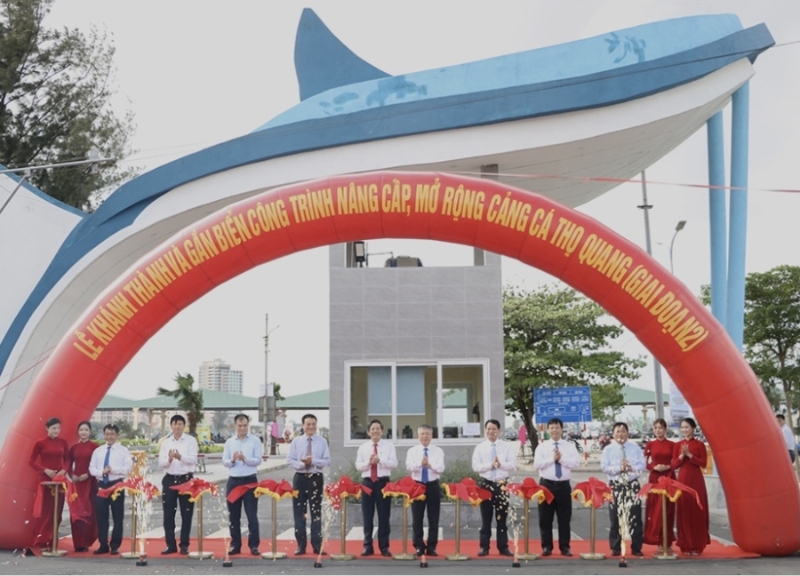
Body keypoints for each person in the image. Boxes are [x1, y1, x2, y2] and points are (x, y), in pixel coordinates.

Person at [533, 417, 580, 556]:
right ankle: (546, 546)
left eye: (557, 427)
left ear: (561, 429)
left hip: (564, 486)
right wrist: (552, 460)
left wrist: (561, 460)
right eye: (552, 427)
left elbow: (575, 463)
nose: (554, 430)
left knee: (564, 518)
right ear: (548, 430)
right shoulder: (542, 447)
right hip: (546, 485)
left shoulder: (569, 446)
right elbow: (537, 465)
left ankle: (565, 547)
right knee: (545, 518)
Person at [287, 413, 331, 556]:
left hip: (315, 478)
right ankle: (301, 545)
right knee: (299, 512)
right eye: (308, 424)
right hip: (300, 478)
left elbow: (326, 461)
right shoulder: (296, 442)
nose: (311, 427)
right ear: (303, 426)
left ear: (316, 425)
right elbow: (290, 460)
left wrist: (313, 462)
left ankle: (317, 545)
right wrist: (302, 464)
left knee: (316, 512)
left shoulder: (322, 441)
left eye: (313, 424)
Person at [472, 419, 516, 557]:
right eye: (489, 429)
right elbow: (476, 467)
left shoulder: (506, 446)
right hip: (486, 484)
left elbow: (513, 464)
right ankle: (484, 547)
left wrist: (500, 464)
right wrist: (490, 465)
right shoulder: (480, 447)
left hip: (502, 485)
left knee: (502, 518)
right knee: (486, 518)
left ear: (499, 431)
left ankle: (503, 547)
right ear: (485, 430)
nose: (491, 432)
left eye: (494, 429)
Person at [601, 422, 645, 557]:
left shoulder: (635, 448)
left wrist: (631, 468)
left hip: (632, 484)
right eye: (618, 431)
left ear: (628, 433)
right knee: (615, 517)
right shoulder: (608, 449)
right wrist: (619, 469)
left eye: (623, 431)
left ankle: (636, 547)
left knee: (635, 516)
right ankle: (615, 547)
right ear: (613, 434)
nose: (620, 434)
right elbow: (604, 467)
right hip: (616, 485)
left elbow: (642, 465)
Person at [355, 419, 397, 557]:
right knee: (367, 515)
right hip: (367, 483)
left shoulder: (389, 446)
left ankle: (384, 546)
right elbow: (358, 466)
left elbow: (394, 464)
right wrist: (369, 462)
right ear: (368, 432)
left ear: (382, 431)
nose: (375, 431)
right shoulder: (363, 447)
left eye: (378, 428)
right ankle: (367, 546)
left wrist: (380, 461)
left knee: (384, 516)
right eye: (372, 429)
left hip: (383, 483)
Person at [158, 414, 199, 555]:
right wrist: (169, 459)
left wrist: (180, 457)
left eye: (180, 424)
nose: (177, 426)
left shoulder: (191, 441)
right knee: (168, 514)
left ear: (184, 425)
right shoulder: (166, 443)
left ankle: (184, 544)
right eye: (174, 424)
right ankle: (170, 544)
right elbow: (161, 463)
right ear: (171, 426)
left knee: (186, 513)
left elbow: (193, 459)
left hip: (186, 480)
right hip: (169, 479)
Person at [222, 414, 262, 556]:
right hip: (234, 480)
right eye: (240, 426)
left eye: (245, 425)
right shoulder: (229, 442)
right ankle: (235, 544)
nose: (242, 428)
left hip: (249, 481)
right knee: (234, 515)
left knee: (252, 515)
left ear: (248, 425)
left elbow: (258, 460)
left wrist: (245, 459)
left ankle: (254, 545)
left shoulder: (255, 441)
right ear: (235, 426)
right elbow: (224, 461)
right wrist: (232, 460)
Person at [89, 424, 132, 554]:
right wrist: (102, 472)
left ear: (117, 435)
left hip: (116, 484)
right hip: (102, 484)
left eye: (112, 434)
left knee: (117, 516)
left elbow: (128, 468)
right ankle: (103, 544)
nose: (109, 436)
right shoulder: (98, 451)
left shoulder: (123, 450)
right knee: (101, 516)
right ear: (104, 435)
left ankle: (115, 545)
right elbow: (92, 469)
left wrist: (113, 470)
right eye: (107, 434)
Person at [28, 417, 69, 550]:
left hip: (60, 481)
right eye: (54, 428)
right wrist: (45, 470)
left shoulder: (63, 442)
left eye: (58, 428)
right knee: (45, 511)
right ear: (47, 428)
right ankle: (42, 541)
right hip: (45, 480)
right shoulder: (40, 443)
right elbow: (31, 461)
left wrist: (63, 471)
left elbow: (68, 460)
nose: (56, 431)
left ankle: (53, 541)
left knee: (57, 510)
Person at [671, 417, 710, 555]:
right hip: (682, 479)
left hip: (696, 479)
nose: (684, 430)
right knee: (684, 511)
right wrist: (682, 456)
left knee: (697, 511)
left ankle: (697, 545)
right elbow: (674, 465)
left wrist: (690, 455)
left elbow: (703, 463)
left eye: (687, 427)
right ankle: (685, 544)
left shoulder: (699, 444)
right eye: (682, 427)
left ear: (693, 428)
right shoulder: (677, 445)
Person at [405, 424, 444, 557]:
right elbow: (409, 466)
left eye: (427, 434)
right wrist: (420, 465)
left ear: (432, 436)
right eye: (422, 434)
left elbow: (441, 468)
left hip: (432, 485)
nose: (425, 436)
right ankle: (419, 546)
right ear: (418, 436)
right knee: (417, 518)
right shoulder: (412, 451)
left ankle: (432, 546)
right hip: (417, 486)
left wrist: (430, 466)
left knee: (433, 518)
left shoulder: (438, 451)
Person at [643, 418, 676, 552]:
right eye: (655, 428)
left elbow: (676, 462)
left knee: (668, 509)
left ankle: (667, 541)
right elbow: (644, 462)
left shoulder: (672, 445)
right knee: (655, 509)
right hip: (655, 478)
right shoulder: (650, 444)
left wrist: (667, 466)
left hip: (668, 477)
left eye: (660, 428)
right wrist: (654, 467)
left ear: (665, 429)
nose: (658, 430)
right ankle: (658, 541)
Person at [67, 421, 98, 552]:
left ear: (90, 432)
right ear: (78, 432)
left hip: (90, 483)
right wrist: (72, 475)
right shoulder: (74, 448)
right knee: (75, 512)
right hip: (76, 485)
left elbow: (98, 465)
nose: (83, 432)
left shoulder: (95, 447)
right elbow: (67, 464)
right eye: (81, 430)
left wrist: (88, 474)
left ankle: (86, 541)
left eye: (86, 430)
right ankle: (77, 543)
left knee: (89, 512)